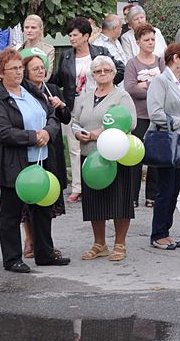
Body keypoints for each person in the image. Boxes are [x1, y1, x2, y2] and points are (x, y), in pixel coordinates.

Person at [0, 48, 69, 273]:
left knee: (42, 209)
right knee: (11, 213)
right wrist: (33, 137)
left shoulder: (32, 90)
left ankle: (45, 254)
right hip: (14, 164)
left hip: (42, 159)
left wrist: (48, 133)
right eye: (13, 69)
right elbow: (2, 132)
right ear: (1, 73)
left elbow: (52, 115)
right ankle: (12, 259)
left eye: (20, 68)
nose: (19, 72)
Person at [50, 17, 124, 203]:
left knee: (99, 142)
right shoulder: (67, 56)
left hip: (99, 104)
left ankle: (100, 179)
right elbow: (59, 78)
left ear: (85, 36)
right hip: (74, 105)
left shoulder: (100, 52)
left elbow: (119, 68)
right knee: (76, 148)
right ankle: (78, 186)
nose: (71, 38)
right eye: (70, 35)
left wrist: (108, 84)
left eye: (75, 35)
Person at [72, 56, 137, 262]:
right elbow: (75, 121)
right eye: (98, 71)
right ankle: (99, 243)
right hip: (90, 157)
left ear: (113, 73)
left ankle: (120, 243)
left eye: (106, 71)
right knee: (94, 202)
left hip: (114, 156)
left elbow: (128, 123)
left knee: (119, 200)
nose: (102, 74)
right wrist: (77, 133)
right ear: (92, 75)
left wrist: (95, 133)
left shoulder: (122, 96)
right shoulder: (84, 96)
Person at [147, 43, 180, 250]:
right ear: (175, 58)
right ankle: (158, 233)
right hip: (166, 143)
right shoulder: (160, 81)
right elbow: (155, 113)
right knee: (165, 190)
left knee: (175, 190)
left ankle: (165, 232)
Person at [21, 53, 70, 258]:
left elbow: (66, 119)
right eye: (35, 69)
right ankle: (30, 241)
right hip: (32, 148)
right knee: (31, 195)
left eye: (42, 67)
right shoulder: (23, 92)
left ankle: (43, 243)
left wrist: (62, 105)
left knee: (47, 196)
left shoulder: (53, 89)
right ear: (26, 73)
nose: (41, 71)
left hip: (52, 148)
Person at [123, 24, 165, 208]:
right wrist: (151, 87)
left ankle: (152, 196)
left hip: (155, 115)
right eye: (147, 40)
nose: (150, 43)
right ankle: (132, 196)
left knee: (155, 158)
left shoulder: (160, 61)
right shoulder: (132, 63)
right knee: (136, 157)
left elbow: (165, 87)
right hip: (139, 115)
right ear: (138, 41)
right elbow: (130, 88)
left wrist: (144, 85)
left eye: (153, 40)